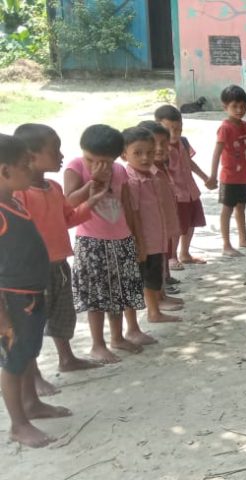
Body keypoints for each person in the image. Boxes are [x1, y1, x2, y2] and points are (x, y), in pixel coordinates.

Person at [13, 124, 105, 396]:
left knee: (62, 313)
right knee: (32, 323)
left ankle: (67, 358)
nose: (61, 155)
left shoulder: (53, 187)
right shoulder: (20, 194)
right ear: (30, 156)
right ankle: (34, 375)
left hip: (59, 264)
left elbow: (67, 219)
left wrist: (90, 202)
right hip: (33, 271)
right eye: (55, 150)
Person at [0, 133, 71, 448]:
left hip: (30, 295)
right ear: (5, 171)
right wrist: (2, 315)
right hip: (11, 300)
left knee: (28, 351)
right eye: (25, 164)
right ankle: (18, 424)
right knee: (13, 361)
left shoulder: (13, 201)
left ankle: (31, 403)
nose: (31, 169)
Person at [65, 125, 147, 364]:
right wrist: (93, 181)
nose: (97, 165)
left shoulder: (120, 171)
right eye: (91, 159)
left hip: (121, 239)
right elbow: (69, 203)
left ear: (116, 157)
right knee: (97, 296)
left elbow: (127, 206)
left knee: (119, 292)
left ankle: (118, 337)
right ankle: (97, 344)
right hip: (92, 242)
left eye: (104, 162)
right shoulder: (75, 167)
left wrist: (137, 238)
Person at [122, 127, 182, 328]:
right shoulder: (132, 180)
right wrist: (139, 242)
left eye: (149, 152)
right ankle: (153, 313)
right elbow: (134, 214)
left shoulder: (152, 175)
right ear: (124, 154)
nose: (145, 158)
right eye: (137, 153)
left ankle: (155, 310)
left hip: (157, 238)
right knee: (146, 279)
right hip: (144, 242)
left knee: (154, 277)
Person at [155, 105, 211, 269]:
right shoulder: (159, 149)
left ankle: (185, 253)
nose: (174, 134)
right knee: (176, 227)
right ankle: (172, 256)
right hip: (175, 194)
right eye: (169, 130)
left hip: (190, 190)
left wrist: (204, 177)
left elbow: (189, 162)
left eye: (178, 129)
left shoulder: (183, 142)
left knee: (191, 223)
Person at [209, 85, 246, 257]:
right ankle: (226, 244)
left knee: (241, 207)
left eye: (242, 106)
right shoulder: (225, 128)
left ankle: (243, 239)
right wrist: (213, 175)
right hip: (229, 177)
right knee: (227, 210)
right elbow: (217, 153)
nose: (239, 110)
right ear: (225, 107)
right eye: (234, 106)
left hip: (244, 175)